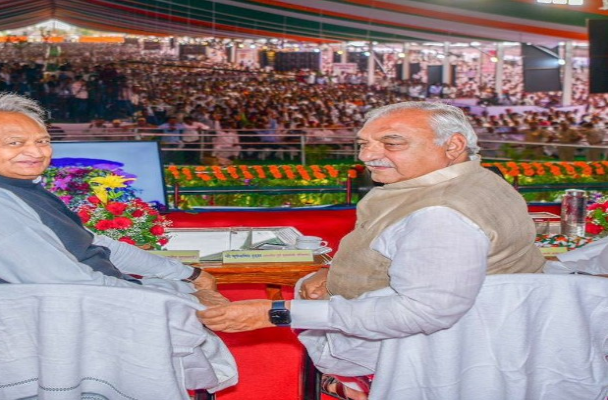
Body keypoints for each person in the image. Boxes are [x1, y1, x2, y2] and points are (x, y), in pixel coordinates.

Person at [198, 102, 546, 399]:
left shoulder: (440, 215)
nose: (367, 155)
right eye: (364, 143)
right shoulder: (475, 179)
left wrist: (277, 312)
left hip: (416, 353)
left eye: (391, 143)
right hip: (475, 335)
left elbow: (421, 313)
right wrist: (333, 274)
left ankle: (352, 384)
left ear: (452, 146)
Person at [0, 94, 227, 307]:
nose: (37, 152)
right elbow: (68, 283)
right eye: (16, 143)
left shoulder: (9, 185)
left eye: (43, 141)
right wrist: (179, 296)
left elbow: (92, 243)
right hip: (32, 323)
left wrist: (187, 274)